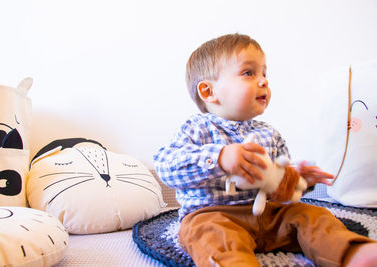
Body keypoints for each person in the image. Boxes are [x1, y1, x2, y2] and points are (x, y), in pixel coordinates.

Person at [153, 33, 377, 267]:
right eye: (249, 73)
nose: (263, 81)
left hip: (269, 216)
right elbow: (166, 165)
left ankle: (351, 254)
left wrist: (296, 180)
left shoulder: (269, 133)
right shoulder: (197, 128)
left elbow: (279, 189)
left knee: (312, 215)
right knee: (209, 234)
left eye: (264, 73)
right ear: (209, 92)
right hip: (213, 214)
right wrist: (219, 158)